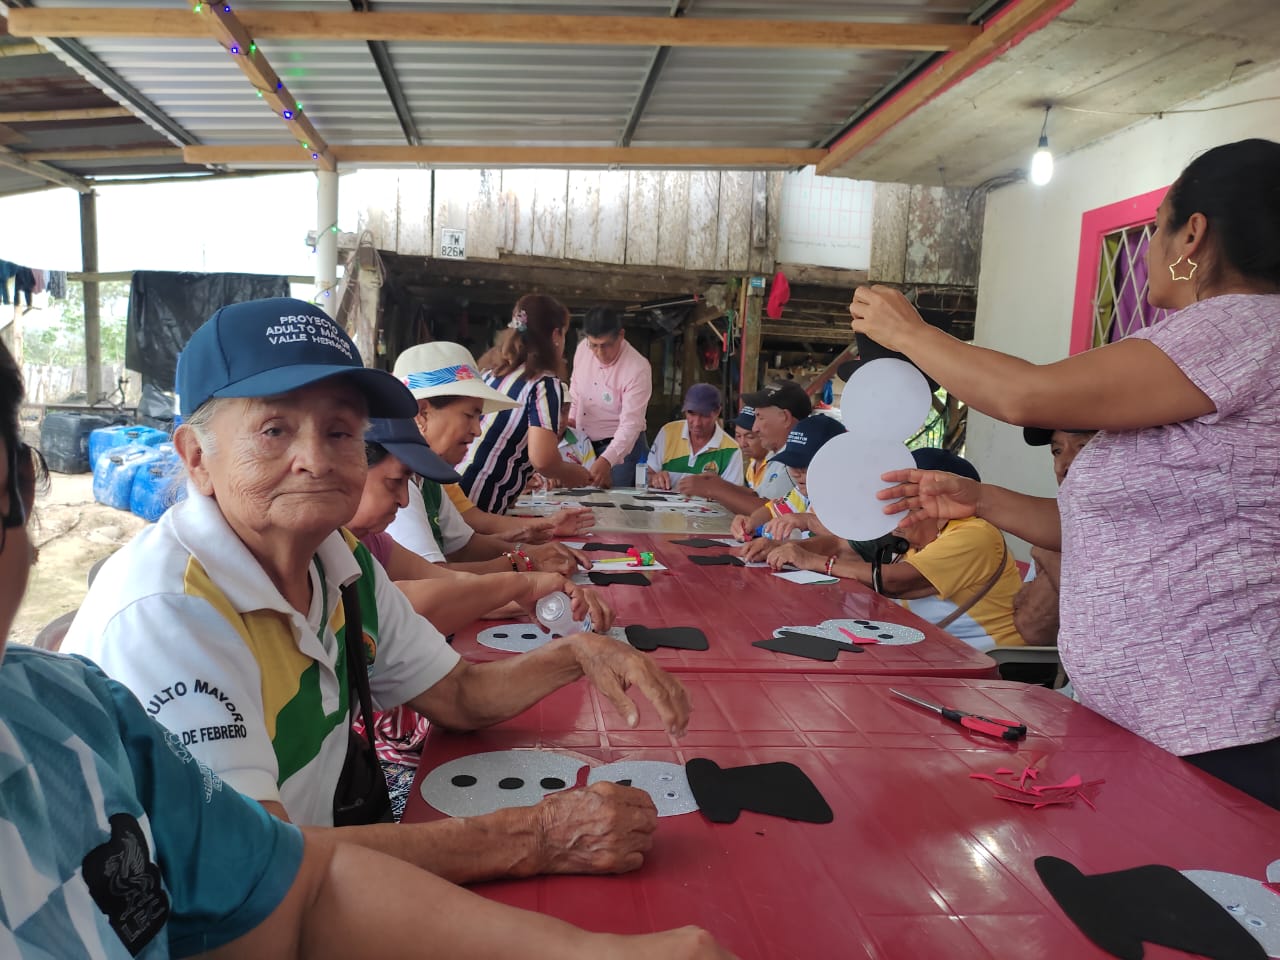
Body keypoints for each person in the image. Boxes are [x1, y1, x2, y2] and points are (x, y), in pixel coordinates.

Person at [0, 343, 732, 960]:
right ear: (196, 457)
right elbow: (273, 882)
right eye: (275, 430)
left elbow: (456, 698)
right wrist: (538, 835)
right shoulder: (171, 612)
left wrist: (576, 653)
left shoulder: (336, 560)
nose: (315, 460)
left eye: (340, 432)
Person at [854, 138, 1280, 808]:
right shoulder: (1225, 348)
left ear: (1192, 235)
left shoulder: (1240, 326)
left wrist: (909, 334)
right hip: (1154, 724)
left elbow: (1027, 396)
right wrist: (981, 497)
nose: (1148, 249)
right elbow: (1112, 530)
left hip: (1215, 730)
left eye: (1157, 226)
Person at [351, 417, 611, 636]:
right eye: (470, 414)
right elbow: (420, 599)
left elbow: (447, 578)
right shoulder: (347, 544)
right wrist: (523, 571)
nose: (478, 429)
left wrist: (529, 583)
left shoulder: (373, 542)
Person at [771, 449, 1024, 652]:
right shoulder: (917, 535)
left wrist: (814, 562)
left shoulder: (975, 534)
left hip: (986, 665)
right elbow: (842, 547)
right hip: (937, 653)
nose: (890, 515)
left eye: (903, 501)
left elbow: (897, 581)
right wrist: (782, 549)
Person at [391, 340, 590, 575]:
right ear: (422, 413)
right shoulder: (397, 479)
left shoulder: (429, 477)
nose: (477, 430)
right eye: (469, 415)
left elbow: (465, 547)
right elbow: (432, 580)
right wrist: (526, 563)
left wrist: (531, 552)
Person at [460, 294, 592, 513]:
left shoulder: (493, 373)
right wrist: (575, 474)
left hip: (457, 491)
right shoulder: (544, 384)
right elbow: (543, 460)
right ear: (556, 335)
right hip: (479, 498)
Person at [1011, 427, 1096, 646]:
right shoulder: (1059, 522)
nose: (1062, 466)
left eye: (1083, 446)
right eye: (1057, 451)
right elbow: (1032, 627)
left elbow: (1107, 613)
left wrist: (1048, 554)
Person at [728, 415, 847, 561]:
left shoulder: (851, 496)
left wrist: (808, 521)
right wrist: (750, 523)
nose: (796, 472)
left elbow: (851, 544)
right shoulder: (802, 493)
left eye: (804, 465)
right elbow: (770, 510)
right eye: (791, 464)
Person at [568, 306, 654, 488]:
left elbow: (631, 425)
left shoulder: (638, 368)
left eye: (606, 345)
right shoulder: (582, 349)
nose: (599, 353)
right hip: (583, 443)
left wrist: (607, 459)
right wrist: (570, 420)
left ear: (621, 336)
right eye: (594, 345)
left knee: (613, 501)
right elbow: (575, 391)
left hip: (621, 447)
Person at [673, 406, 789, 513]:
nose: (742, 444)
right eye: (738, 436)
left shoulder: (784, 462)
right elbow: (756, 496)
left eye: (750, 436)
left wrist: (713, 489)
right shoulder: (753, 464)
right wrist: (717, 484)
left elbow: (770, 509)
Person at [645, 383, 743, 491]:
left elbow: (734, 494)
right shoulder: (668, 432)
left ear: (717, 412)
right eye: (691, 413)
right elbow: (647, 474)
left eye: (704, 415)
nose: (697, 423)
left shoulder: (732, 450)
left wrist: (711, 490)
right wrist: (654, 478)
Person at [738, 379, 812, 467]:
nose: (754, 428)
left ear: (785, 418)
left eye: (760, 418)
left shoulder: (796, 468)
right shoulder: (774, 457)